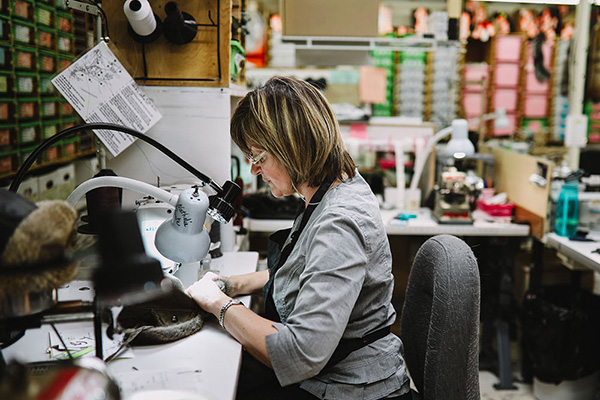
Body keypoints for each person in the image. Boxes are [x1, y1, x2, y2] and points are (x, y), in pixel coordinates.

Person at [186, 76, 411, 399]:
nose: (254, 170)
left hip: (350, 388)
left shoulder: (339, 222)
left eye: (259, 157)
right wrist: (232, 284)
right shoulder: (336, 186)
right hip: (334, 374)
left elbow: (301, 352)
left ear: (291, 147)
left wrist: (218, 304)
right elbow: (310, 270)